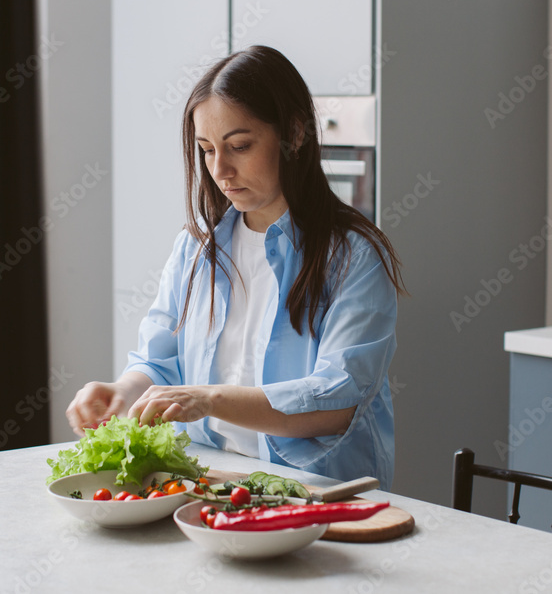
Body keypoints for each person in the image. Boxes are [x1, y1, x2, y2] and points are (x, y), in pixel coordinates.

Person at [66, 45, 406, 489]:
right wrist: (122, 393)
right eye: (206, 150)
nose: (220, 170)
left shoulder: (354, 259)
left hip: (317, 497)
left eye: (240, 146)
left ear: (295, 133)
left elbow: (335, 403)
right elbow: (160, 360)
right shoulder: (195, 248)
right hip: (210, 483)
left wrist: (208, 400)